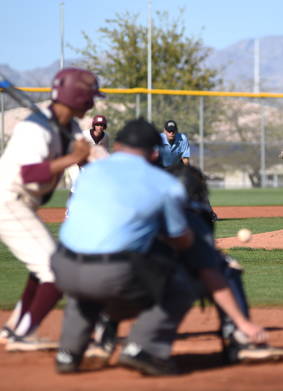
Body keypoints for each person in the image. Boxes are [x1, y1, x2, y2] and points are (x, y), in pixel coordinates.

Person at [51, 117, 196, 376]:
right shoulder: (165, 183)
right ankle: (140, 347)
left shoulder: (90, 174)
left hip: (63, 269)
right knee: (182, 278)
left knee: (86, 286)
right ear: (155, 152)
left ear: (116, 146)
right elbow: (181, 240)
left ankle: (68, 352)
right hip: (112, 275)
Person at [0, 67, 104, 352]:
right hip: (5, 199)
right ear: (79, 98)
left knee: (41, 268)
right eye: (90, 97)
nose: (93, 103)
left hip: (16, 202)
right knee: (57, 270)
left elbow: (81, 160)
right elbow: (30, 174)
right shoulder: (35, 127)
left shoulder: (68, 127)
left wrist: (84, 156)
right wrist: (73, 156)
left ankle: (14, 328)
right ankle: (24, 334)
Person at [167, 164, 283, 364]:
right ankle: (238, 339)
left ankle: (108, 334)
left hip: (128, 284)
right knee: (227, 270)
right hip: (170, 284)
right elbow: (205, 267)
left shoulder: (149, 207)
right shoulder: (196, 215)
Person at [67, 114, 110, 196]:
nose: (99, 127)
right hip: (74, 159)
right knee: (77, 183)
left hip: (87, 162)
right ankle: (70, 209)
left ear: (104, 126)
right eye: (97, 125)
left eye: (101, 125)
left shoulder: (105, 137)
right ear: (93, 126)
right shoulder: (85, 134)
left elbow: (105, 152)